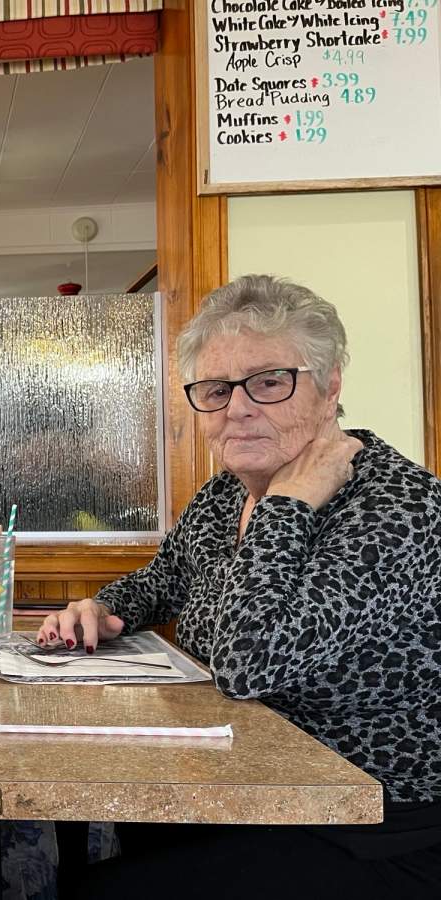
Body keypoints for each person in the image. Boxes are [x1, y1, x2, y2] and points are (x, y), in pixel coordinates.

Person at [39, 275, 441, 898]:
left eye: (269, 381)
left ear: (331, 386)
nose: (238, 407)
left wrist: (286, 506)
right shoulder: (225, 494)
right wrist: (106, 607)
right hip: (244, 786)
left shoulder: (399, 508)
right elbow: (166, 578)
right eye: (217, 388)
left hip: (372, 819)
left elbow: (250, 665)